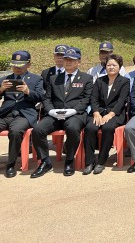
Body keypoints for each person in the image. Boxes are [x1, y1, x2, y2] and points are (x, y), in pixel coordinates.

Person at [31, 46, 93, 178]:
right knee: (37, 130)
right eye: (66, 59)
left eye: (72, 59)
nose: (68, 62)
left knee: (72, 128)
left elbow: (87, 99)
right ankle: (45, 161)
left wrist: (74, 110)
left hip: (75, 115)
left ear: (79, 62)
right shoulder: (54, 78)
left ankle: (69, 160)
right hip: (55, 114)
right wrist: (51, 111)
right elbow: (47, 98)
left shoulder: (86, 78)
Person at [82, 54, 130, 175]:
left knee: (108, 128)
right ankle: (89, 162)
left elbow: (121, 101)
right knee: (90, 128)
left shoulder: (125, 82)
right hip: (99, 112)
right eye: (109, 65)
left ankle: (101, 161)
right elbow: (93, 99)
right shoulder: (99, 81)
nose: (111, 67)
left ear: (120, 67)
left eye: (114, 65)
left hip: (115, 114)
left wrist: (110, 115)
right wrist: (96, 113)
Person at [0, 51, 45, 178]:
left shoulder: (36, 79)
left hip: (24, 114)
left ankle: (11, 164)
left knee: (15, 131)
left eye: (21, 65)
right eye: (15, 65)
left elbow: (41, 96)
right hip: (6, 113)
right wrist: (1, 89)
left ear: (28, 64)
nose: (17, 67)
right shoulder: (4, 79)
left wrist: (28, 91)